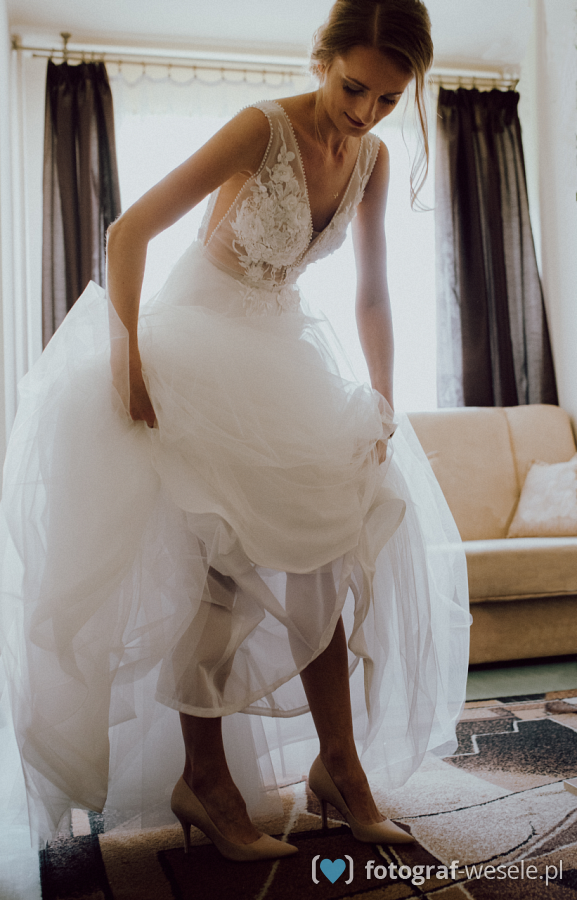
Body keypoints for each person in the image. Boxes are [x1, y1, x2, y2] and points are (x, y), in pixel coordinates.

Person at [0, 0, 470, 861]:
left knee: (326, 555)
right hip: (192, 354)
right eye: (353, 87)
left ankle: (340, 769)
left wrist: (382, 397)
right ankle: (206, 783)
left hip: (281, 358)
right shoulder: (261, 128)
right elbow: (128, 231)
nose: (364, 112)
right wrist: (129, 363)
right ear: (323, 59)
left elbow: (371, 291)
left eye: (387, 98)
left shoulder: (370, 158)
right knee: (218, 573)